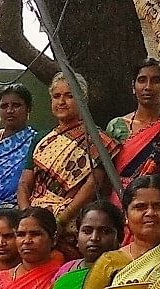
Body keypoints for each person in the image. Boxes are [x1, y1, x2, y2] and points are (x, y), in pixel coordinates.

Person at [19, 73, 117, 232]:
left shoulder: (96, 139)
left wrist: (60, 220)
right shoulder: (41, 138)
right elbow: (24, 183)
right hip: (34, 217)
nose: (61, 102)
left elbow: (93, 184)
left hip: (73, 221)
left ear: (82, 99)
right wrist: (26, 217)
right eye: (56, 96)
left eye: (69, 96)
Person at [105, 58, 160, 192]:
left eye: (156, 80)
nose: (148, 87)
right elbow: (106, 176)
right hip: (119, 200)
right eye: (142, 80)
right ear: (133, 86)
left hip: (159, 203)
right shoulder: (116, 126)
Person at [0, 85, 38, 218]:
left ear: (28, 109)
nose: (10, 110)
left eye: (16, 105)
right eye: (4, 106)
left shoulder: (38, 142)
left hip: (21, 213)